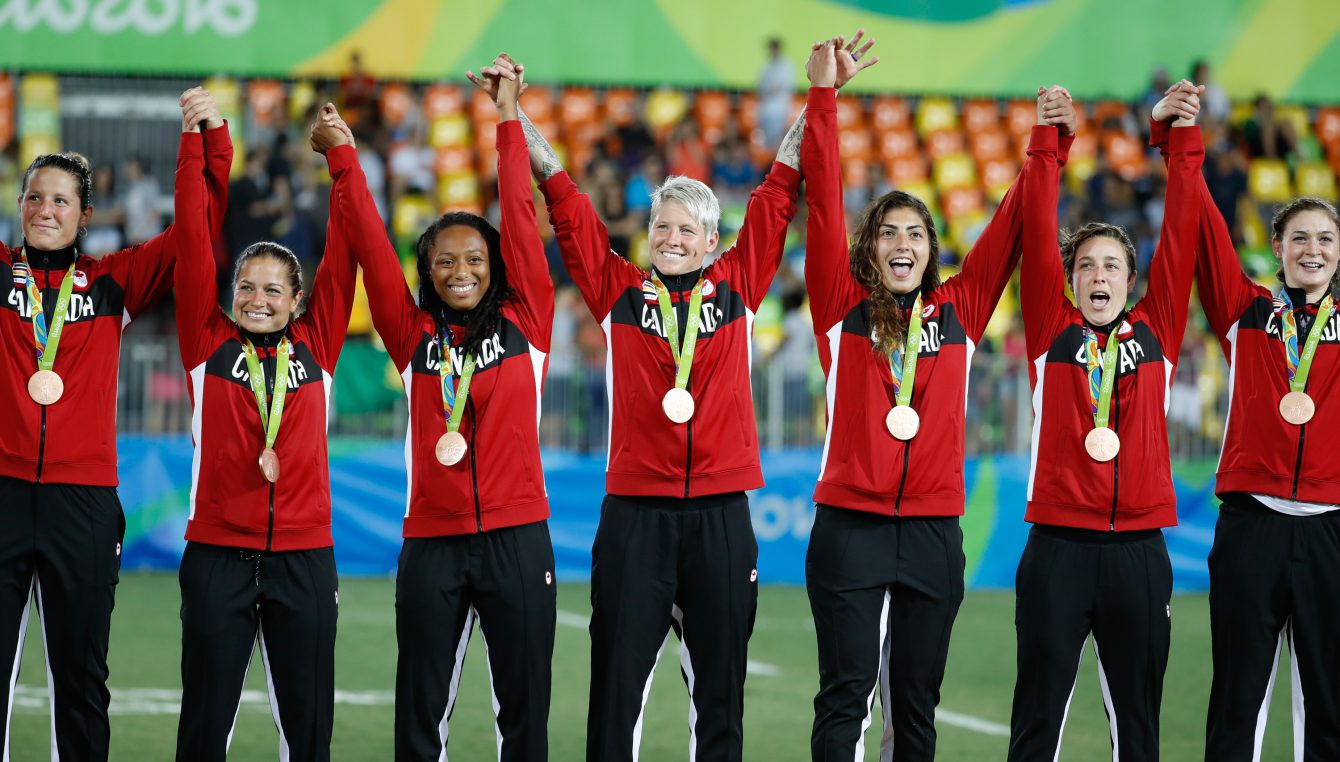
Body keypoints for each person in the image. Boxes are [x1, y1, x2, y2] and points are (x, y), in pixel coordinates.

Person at [500, 38, 825, 760]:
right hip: (635, 516)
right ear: (647, 236)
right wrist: (513, 112)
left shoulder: (737, 288)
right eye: (662, 227)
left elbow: (779, 188)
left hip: (721, 513)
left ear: (713, 242)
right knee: (615, 691)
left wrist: (820, 96)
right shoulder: (620, 292)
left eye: (687, 230)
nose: (672, 238)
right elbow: (563, 198)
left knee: (722, 698)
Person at [802, 45, 1072, 759]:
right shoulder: (840, 310)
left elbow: (1015, 226)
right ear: (869, 249)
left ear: (931, 249)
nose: (902, 243)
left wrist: (1049, 140)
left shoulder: (960, 310)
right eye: (888, 232)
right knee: (845, 698)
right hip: (850, 526)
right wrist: (824, 96)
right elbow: (823, 200)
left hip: (931, 533)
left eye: (916, 233)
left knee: (916, 707)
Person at [0, 87, 230, 760]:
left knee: (80, 679)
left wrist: (207, 143)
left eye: (61, 200)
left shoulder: (112, 283)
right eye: (34, 198)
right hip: (4, 494)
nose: (45, 209)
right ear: (19, 207)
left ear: (86, 215)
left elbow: (198, 224)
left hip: (85, 505)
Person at [348, 58, 557, 761]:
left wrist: (505, 118)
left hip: (518, 539)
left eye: (473, 259)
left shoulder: (527, 324)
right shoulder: (413, 338)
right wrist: (346, 163)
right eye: (443, 262)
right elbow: (374, 256)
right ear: (427, 271)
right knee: (420, 714)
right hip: (431, 543)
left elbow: (521, 214)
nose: (460, 271)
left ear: (496, 265)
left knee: (524, 715)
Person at [1007, 84, 1205, 760]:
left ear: (1131, 279)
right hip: (1057, 548)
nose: (1099, 275)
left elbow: (1182, 234)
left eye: (1112, 266)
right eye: (1086, 265)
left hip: (1140, 556)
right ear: (1069, 280)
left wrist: (1176, 138)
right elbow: (1036, 230)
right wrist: (1049, 142)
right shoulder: (1049, 332)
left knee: (1139, 732)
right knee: (1036, 724)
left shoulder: (1159, 331)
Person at [171, 104, 358, 761]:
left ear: (299, 300)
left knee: (308, 735)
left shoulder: (320, 348)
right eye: (246, 286)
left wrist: (342, 158)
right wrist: (200, 145)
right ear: (229, 293)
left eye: (274, 290)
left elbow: (348, 246)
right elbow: (193, 238)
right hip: (218, 555)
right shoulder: (207, 343)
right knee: (203, 729)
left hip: (304, 559)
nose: (258, 298)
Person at [1166, 77, 1340, 759]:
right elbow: (1203, 222)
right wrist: (1181, 136)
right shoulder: (1246, 313)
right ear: (1277, 245)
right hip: (1252, 526)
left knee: (1328, 704)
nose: (1314, 249)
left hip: (1331, 529)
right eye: (1300, 237)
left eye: (1326, 238)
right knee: (1238, 699)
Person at [757, 37, 796, 151]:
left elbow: (782, 86)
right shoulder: (765, 66)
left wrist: (770, 88)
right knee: (766, 142)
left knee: (779, 140)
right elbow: (761, 87)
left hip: (780, 109)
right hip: (765, 108)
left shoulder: (787, 65)